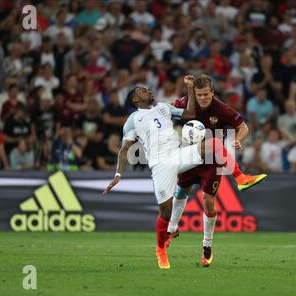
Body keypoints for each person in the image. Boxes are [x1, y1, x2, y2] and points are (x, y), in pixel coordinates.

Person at [103, 78, 260, 269]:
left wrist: (189, 88)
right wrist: (118, 175)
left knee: (214, 144)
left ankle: (241, 178)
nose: (148, 90)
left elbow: (190, 113)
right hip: (160, 166)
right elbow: (124, 149)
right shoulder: (133, 120)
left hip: (178, 154)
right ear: (136, 99)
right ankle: (161, 249)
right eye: (143, 90)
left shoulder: (163, 108)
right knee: (166, 213)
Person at [167, 74, 267, 267]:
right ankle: (172, 228)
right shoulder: (186, 102)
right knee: (181, 190)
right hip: (190, 154)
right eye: (199, 95)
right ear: (194, 94)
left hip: (212, 161)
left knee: (208, 202)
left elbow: (243, 126)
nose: (203, 98)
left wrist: (239, 139)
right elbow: (167, 109)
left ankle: (207, 245)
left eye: (206, 94)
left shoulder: (221, 109)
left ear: (212, 93)